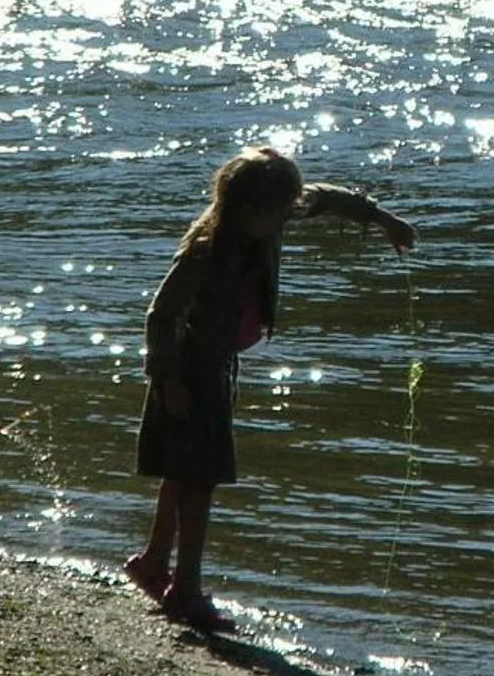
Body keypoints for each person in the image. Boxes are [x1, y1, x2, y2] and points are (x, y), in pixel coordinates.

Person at [124, 146, 415, 632]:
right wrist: (168, 380)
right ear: (248, 210)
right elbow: (162, 313)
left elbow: (325, 198)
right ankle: (186, 590)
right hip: (190, 371)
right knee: (201, 479)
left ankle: (154, 562)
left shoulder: (272, 216)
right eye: (279, 213)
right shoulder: (205, 250)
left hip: (217, 366)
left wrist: (381, 218)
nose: (288, 217)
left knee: (183, 470)